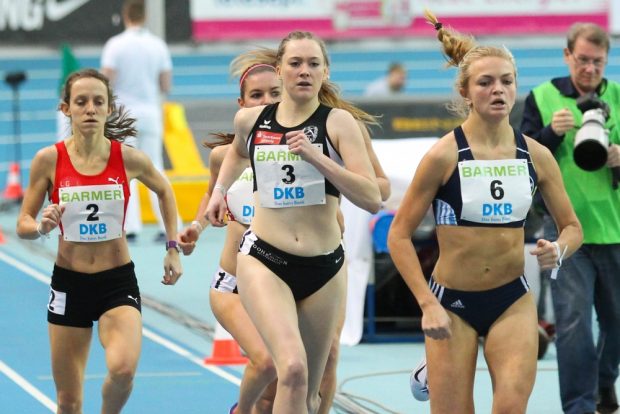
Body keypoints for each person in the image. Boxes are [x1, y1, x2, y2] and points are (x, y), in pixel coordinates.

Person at [387, 11, 583, 414]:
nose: (498, 91)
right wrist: (426, 304)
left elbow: (572, 228)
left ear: (516, 87)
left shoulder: (537, 154)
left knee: (511, 407)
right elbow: (399, 235)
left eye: (507, 81)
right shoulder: (443, 155)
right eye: (486, 82)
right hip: (451, 305)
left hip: (512, 300)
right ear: (466, 92)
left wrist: (559, 250)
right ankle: (434, 367)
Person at [180, 47, 390, 414]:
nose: (267, 100)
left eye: (312, 64)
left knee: (312, 375)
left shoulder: (337, 126)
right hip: (254, 265)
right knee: (280, 366)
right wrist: (205, 214)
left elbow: (377, 191)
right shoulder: (247, 133)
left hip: (321, 261)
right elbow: (228, 165)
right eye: (295, 64)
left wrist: (332, 176)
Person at [16, 68, 183, 414]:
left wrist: (172, 248)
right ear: (66, 109)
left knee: (122, 370)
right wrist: (42, 226)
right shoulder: (49, 160)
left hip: (116, 282)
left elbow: (165, 190)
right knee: (68, 401)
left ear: (109, 109)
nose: (90, 109)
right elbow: (23, 224)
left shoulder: (128, 159)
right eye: (81, 102)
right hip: (69, 284)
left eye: (98, 102)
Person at [520, 22, 620, 414]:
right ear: (567, 55)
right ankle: (579, 406)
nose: (590, 69)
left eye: (598, 61)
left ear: (606, 60)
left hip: (615, 228)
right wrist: (551, 132)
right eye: (582, 60)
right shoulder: (542, 97)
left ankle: (602, 382)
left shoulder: (619, 96)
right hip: (564, 231)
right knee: (574, 323)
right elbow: (521, 159)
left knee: (617, 323)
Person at [101, 0, 177, 242]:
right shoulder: (158, 45)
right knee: (155, 167)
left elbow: (106, 81)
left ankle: (130, 227)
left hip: (124, 115)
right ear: (145, 16)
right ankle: (168, 226)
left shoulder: (115, 45)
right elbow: (166, 85)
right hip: (151, 113)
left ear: (125, 15)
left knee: (124, 169)